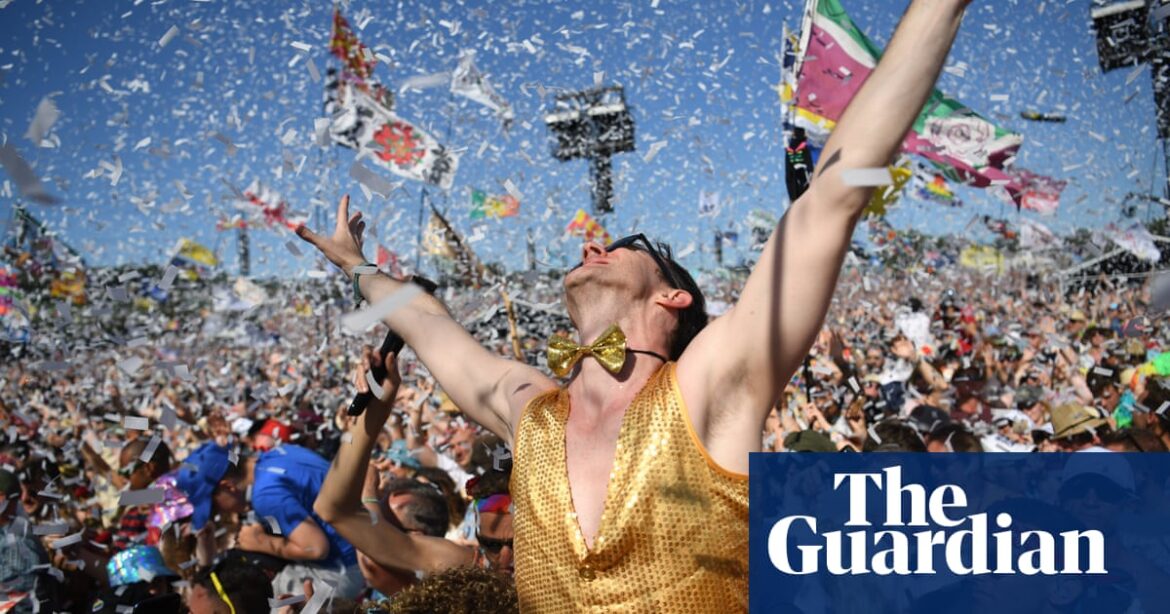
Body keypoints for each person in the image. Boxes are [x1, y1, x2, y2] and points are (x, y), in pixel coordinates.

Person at [297, 0, 974, 609]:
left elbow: (833, 197)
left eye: (626, 247)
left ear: (674, 296)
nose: (594, 244)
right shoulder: (528, 408)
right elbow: (426, 325)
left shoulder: (711, 385)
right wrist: (357, 266)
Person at [175, 442, 364, 598]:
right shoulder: (281, 451)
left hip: (349, 565)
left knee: (264, 599)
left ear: (229, 487)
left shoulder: (265, 495)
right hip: (365, 534)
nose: (219, 513)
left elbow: (316, 549)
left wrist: (261, 542)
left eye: (214, 506)